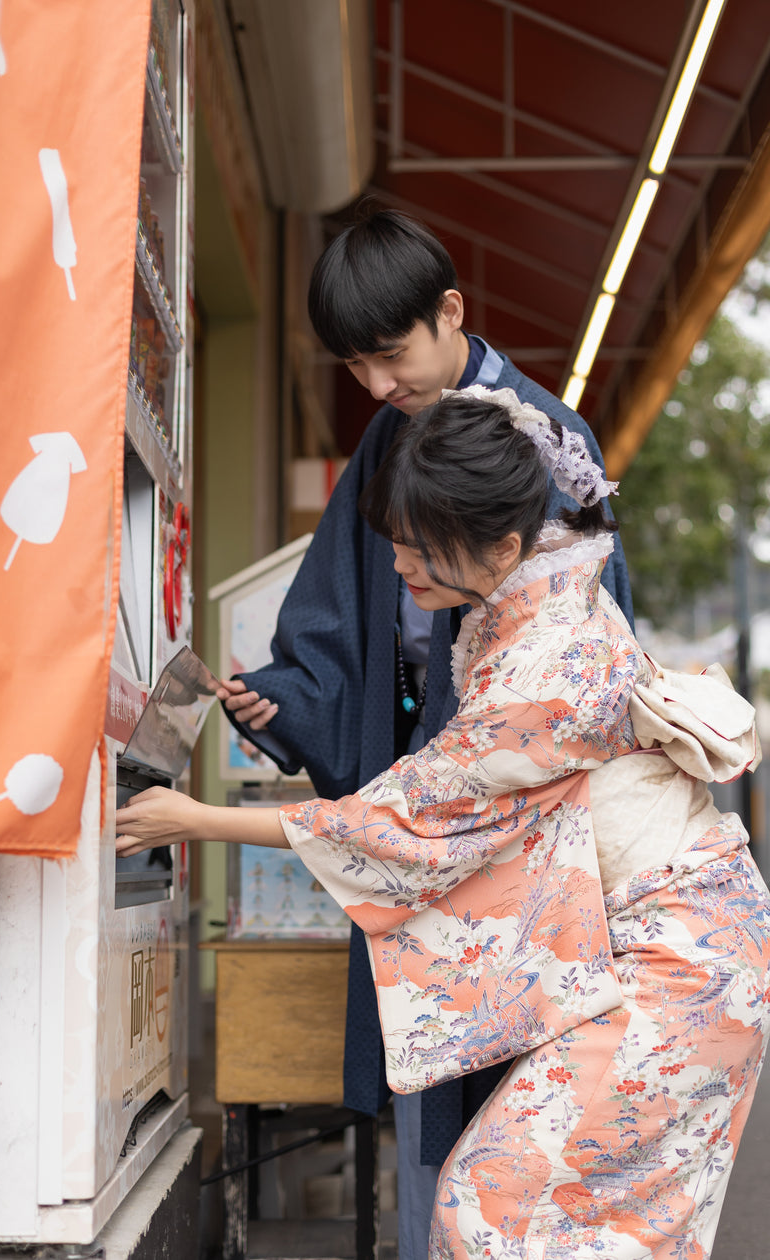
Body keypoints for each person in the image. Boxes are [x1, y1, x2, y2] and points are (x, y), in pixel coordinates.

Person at [117, 385, 770, 1259]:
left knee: (494, 1208)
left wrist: (195, 819)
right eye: (397, 545)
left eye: (422, 552)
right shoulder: (540, 588)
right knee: (594, 1229)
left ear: (503, 546)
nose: (400, 570)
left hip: (677, 964)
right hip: (680, 947)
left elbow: (400, 824)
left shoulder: (545, 668)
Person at [214, 208, 636, 1260]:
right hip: (427, 787)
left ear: (451, 314)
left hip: (511, 820)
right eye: (352, 364)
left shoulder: (551, 441)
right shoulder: (388, 439)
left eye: (388, 354)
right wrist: (290, 700)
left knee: (527, 1108)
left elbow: (581, 661)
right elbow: (335, 623)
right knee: (436, 1101)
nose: (374, 387)